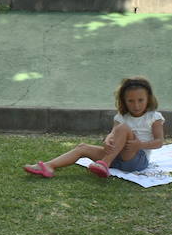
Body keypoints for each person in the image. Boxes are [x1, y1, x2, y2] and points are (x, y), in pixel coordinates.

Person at [23, 76, 164, 178]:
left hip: (137, 160)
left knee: (123, 128)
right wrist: (107, 140)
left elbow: (159, 142)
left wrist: (140, 144)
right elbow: (112, 133)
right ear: (124, 101)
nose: (136, 105)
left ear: (148, 99)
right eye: (131, 101)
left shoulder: (154, 117)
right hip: (117, 158)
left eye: (140, 100)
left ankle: (105, 163)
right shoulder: (121, 117)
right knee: (82, 147)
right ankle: (48, 166)